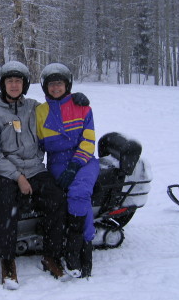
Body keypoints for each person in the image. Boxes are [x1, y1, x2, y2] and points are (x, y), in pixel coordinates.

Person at [0, 61, 68, 290]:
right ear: (2, 84)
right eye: (9, 81)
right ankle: (7, 260)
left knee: (56, 199)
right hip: (5, 171)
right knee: (6, 205)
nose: (14, 85)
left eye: (18, 81)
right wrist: (18, 177)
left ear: (25, 84)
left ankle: (51, 255)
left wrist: (75, 100)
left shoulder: (34, 107)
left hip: (35, 168)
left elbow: (58, 108)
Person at [36, 63, 100, 279]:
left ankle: (78, 247)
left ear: (67, 85)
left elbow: (89, 140)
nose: (56, 87)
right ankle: (76, 244)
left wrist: (75, 164)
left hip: (84, 160)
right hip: (56, 162)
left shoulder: (82, 107)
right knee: (61, 198)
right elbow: (36, 143)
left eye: (60, 83)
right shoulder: (40, 112)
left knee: (79, 193)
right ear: (45, 87)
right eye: (51, 84)